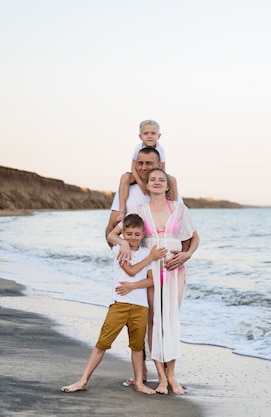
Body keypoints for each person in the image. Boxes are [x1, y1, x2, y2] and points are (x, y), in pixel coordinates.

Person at [105, 146, 199, 387]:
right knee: (154, 321)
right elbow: (113, 235)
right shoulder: (138, 211)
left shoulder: (179, 209)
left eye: (161, 180)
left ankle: (172, 376)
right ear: (147, 185)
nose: (156, 182)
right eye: (152, 179)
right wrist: (123, 244)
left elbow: (195, 238)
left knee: (171, 320)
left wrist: (186, 255)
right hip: (151, 270)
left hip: (175, 268)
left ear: (168, 186)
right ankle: (160, 377)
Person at [61, 214, 167, 395]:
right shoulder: (119, 249)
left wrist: (133, 285)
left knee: (137, 347)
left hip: (140, 307)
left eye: (137, 234)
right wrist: (150, 258)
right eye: (129, 233)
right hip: (120, 304)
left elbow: (152, 281)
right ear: (123, 233)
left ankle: (139, 383)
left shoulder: (146, 252)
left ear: (143, 235)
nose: (133, 237)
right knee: (103, 343)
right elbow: (131, 271)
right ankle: (82, 380)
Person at [115, 120, 179, 222]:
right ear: (140, 136)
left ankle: (174, 211)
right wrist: (141, 183)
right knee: (125, 177)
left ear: (159, 136)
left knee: (172, 180)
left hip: (155, 174)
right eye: (146, 133)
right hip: (139, 174)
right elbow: (133, 168)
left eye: (153, 133)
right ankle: (122, 210)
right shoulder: (138, 147)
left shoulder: (160, 149)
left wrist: (156, 181)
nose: (149, 136)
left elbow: (162, 168)